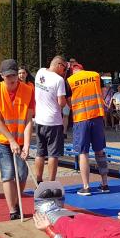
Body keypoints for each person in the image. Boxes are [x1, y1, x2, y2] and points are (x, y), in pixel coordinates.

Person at [0, 59, 35, 220]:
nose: (12, 79)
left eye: (14, 75)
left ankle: (16, 201)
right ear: (2, 75)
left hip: (21, 138)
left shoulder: (28, 90)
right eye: (8, 76)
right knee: (8, 173)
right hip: (2, 138)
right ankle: (12, 210)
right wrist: (11, 140)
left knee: (22, 174)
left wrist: (27, 145)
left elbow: (29, 120)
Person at [67, 62, 110, 196]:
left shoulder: (70, 81)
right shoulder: (95, 75)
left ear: (72, 71)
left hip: (81, 119)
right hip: (97, 116)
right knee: (100, 151)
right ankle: (104, 184)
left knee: (83, 153)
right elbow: (103, 92)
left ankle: (86, 187)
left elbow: (68, 101)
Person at [33, 56, 68, 184]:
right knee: (53, 154)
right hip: (53, 121)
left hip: (39, 119)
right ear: (59, 65)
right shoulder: (59, 80)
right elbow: (61, 103)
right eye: (64, 68)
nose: (64, 71)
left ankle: (38, 180)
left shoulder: (40, 72)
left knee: (40, 153)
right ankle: (51, 182)